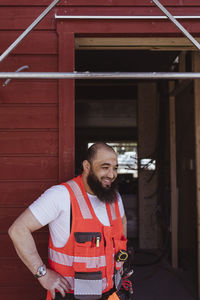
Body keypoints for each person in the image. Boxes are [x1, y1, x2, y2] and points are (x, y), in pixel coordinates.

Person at [8, 142, 127, 300]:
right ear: (87, 166)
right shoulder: (61, 196)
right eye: (105, 167)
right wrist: (42, 274)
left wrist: (119, 263)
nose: (112, 175)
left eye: (115, 168)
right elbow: (18, 230)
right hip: (71, 296)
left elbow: (122, 223)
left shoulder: (114, 198)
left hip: (113, 293)